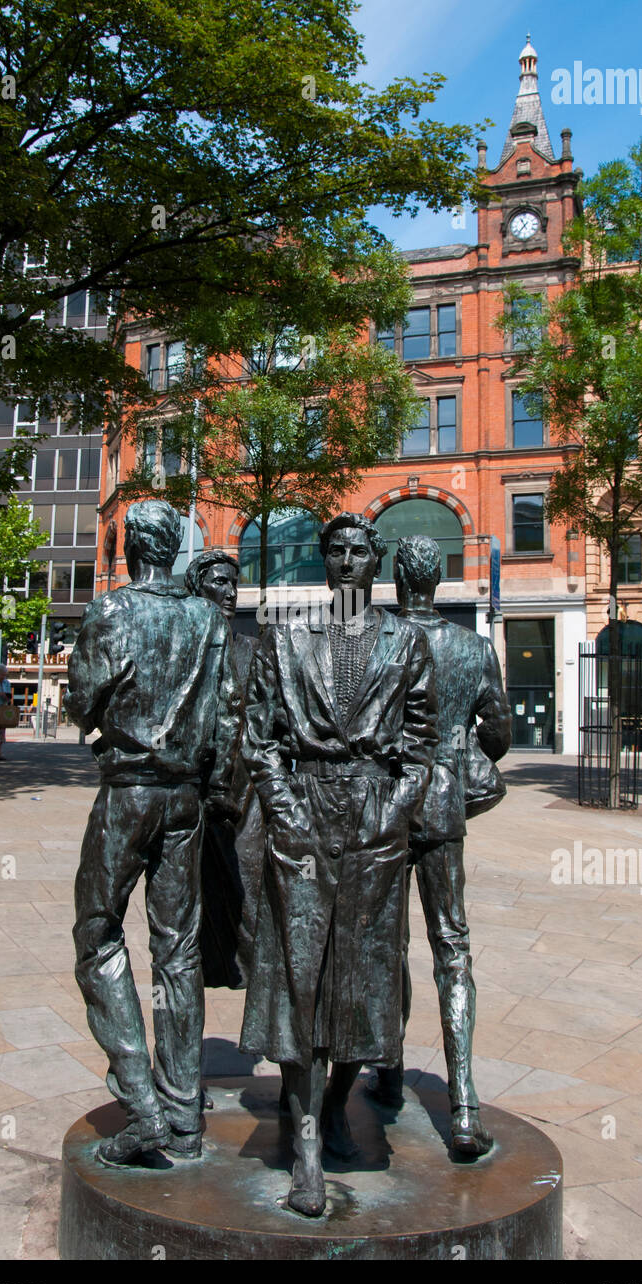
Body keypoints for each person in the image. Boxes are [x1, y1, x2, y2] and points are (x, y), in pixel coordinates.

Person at [239, 512, 438, 1216]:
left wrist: (396, 806)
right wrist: (285, 808)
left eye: (360, 550)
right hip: (306, 808)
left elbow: (422, 743)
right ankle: (305, 1143)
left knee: (363, 977)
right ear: (323, 561)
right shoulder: (287, 635)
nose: (348, 560)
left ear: (376, 562)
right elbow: (258, 738)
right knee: (300, 972)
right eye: (337, 550)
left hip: (374, 817)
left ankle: (332, 1103)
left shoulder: (407, 641)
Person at [65, 501, 243, 1166]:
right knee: (179, 951)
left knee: (97, 931)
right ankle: (182, 1112)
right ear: (174, 551)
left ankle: (141, 1105)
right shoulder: (206, 616)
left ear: (134, 548)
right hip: (187, 801)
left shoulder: (112, 610)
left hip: (128, 793)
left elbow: (82, 700)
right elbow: (226, 717)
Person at [366, 534, 511, 1157]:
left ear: (399, 581)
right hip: (446, 803)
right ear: (442, 581)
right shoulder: (474, 648)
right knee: (452, 947)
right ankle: (463, 1105)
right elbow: (499, 732)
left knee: (386, 941)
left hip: (389, 807)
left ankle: (389, 1074)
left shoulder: (382, 639)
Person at [184, 550, 261, 992]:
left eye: (235, 584)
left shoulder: (251, 650)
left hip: (244, 793)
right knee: (193, 898)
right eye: (219, 582)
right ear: (198, 588)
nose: (231, 593)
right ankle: (206, 970)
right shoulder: (182, 651)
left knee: (249, 889)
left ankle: (252, 975)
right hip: (191, 791)